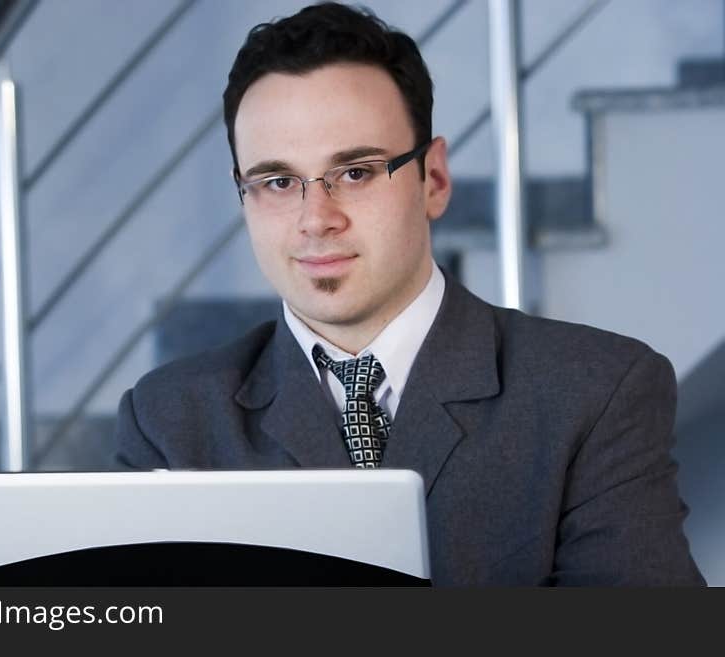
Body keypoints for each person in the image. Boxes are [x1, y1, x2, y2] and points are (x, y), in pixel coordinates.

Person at [115, 2, 704, 586]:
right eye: (277, 182)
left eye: (355, 172)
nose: (315, 219)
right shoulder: (170, 420)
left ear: (434, 180)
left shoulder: (595, 392)